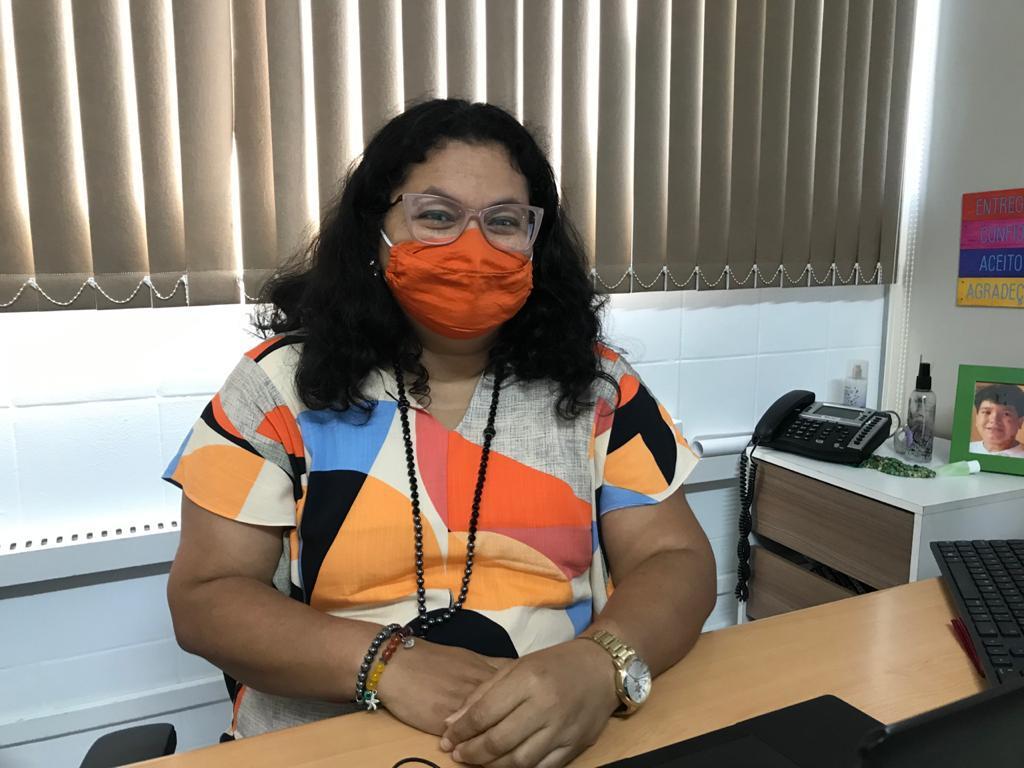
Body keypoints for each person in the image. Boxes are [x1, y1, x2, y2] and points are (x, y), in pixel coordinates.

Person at [164, 99, 715, 768]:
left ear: (535, 242)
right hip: (324, 740)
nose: (471, 246)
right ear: (375, 231)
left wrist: (602, 663)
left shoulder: (599, 386)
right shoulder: (275, 386)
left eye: (504, 221)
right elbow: (206, 597)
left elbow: (676, 559)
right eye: (437, 216)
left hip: (550, 739)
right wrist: (384, 662)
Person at [970, 384, 1024, 458]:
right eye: (987, 412)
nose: (994, 419)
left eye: (1006, 414)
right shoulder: (966, 449)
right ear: (977, 417)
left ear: (1020, 421)